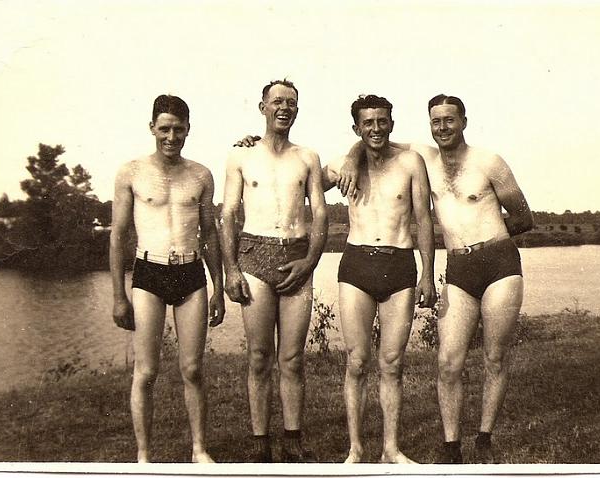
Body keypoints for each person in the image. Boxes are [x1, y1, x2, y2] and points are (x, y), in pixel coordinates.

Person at [337, 94, 533, 464]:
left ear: (463, 121)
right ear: (430, 124)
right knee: (448, 362)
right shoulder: (422, 157)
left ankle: (485, 439)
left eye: (450, 120)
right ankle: (450, 446)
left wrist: (487, 234)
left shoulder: (488, 162)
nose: (443, 127)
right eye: (436, 121)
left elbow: (524, 217)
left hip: (499, 264)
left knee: (495, 356)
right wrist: (350, 156)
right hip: (458, 267)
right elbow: (372, 139)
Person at [321, 94, 437, 464]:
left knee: (392, 363)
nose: (375, 128)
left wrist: (428, 275)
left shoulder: (410, 162)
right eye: (367, 123)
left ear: (391, 123)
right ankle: (355, 449)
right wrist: (254, 145)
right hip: (356, 265)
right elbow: (299, 178)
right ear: (356, 127)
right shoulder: (343, 163)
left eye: (382, 121)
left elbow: (424, 220)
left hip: (400, 264)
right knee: (356, 361)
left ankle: (390, 449)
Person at [109, 94, 224, 463]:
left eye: (178, 129)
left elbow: (209, 234)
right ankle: (144, 455)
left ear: (188, 129)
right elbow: (119, 234)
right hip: (149, 272)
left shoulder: (201, 175)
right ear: (152, 129)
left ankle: (199, 450)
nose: (171, 136)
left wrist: (219, 288)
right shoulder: (131, 172)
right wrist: (117, 295)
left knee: (192, 368)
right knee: (146, 371)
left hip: (191, 273)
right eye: (164, 129)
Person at [221, 80, 328, 463]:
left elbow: (320, 213)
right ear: (262, 106)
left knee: (293, 358)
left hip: (297, 254)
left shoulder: (308, 157)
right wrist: (230, 269)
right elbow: (229, 214)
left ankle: (293, 439)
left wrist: (311, 260)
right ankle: (260, 443)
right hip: (253, 254)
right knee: (259, 355)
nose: (284, 107)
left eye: (292, 103)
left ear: (298, 110)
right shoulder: (241, 156)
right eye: (277, 101)